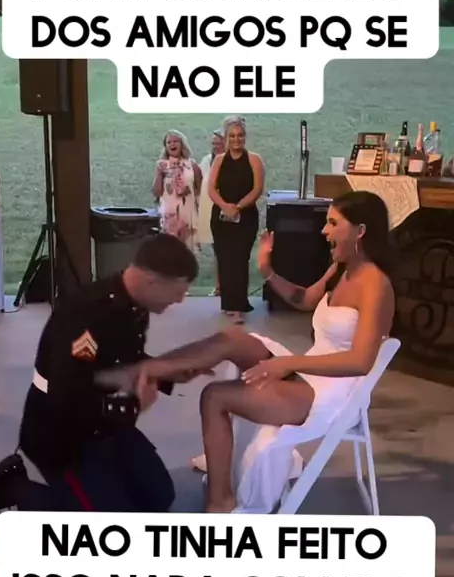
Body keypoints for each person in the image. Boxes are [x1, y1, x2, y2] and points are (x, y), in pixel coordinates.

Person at [99, 191, 395, 513]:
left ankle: (220, 502)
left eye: (333, 223)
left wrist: (287, 363)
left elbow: (361, 361)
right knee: (232, 339)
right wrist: (267, 270)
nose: (325, 231)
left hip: (333, 393)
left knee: (215, 397)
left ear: (360, 231)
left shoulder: (375, 286)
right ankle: (150, 369)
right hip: (308, 368)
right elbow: (303, 299)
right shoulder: (341, 269)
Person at [0, 234, 202, 520]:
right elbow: (64, 395)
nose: (180, 299)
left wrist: (169, 374)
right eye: (178, 291)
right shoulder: (85, 315)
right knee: (111, 526)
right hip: (65, 438)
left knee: (160, 495)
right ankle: (14, 487)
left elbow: (119, 359)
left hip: (107, 427)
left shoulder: (132, 307)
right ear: (151, 282)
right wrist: (132, 405)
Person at [209, 116, 264, 323]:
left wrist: (238, 207)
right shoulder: (219, 160)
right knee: (224, 258)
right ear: (226, 138)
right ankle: (228, 304)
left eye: (240, 135)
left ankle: (239, 306)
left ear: (245, 137)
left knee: (240, 259)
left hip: (246, 216)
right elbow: (211, 188)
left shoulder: (254, 160)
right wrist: (225, 207)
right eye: (232, 136)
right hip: (221, 216)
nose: (236, 139)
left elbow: (257, 189)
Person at [153, 130, 203, 252]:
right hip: (169, 214)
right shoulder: (162, 165)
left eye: (175, 141)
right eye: (169, 142)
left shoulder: (192, 165)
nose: (172, 144)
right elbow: (156, 192)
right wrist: (159, 173)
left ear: (182, 144)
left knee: (188, 251)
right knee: (169, 251)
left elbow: (199, 190)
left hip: (188, 213)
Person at [197, 129, 225, 296]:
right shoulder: (207, 161)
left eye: (219, 144)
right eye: (213, 144)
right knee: (218, 249)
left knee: (227, 250)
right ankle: (219, 287)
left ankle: (229, 287)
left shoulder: (231, 162)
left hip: (227, 210)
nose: (215, 147)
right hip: (210, 210)